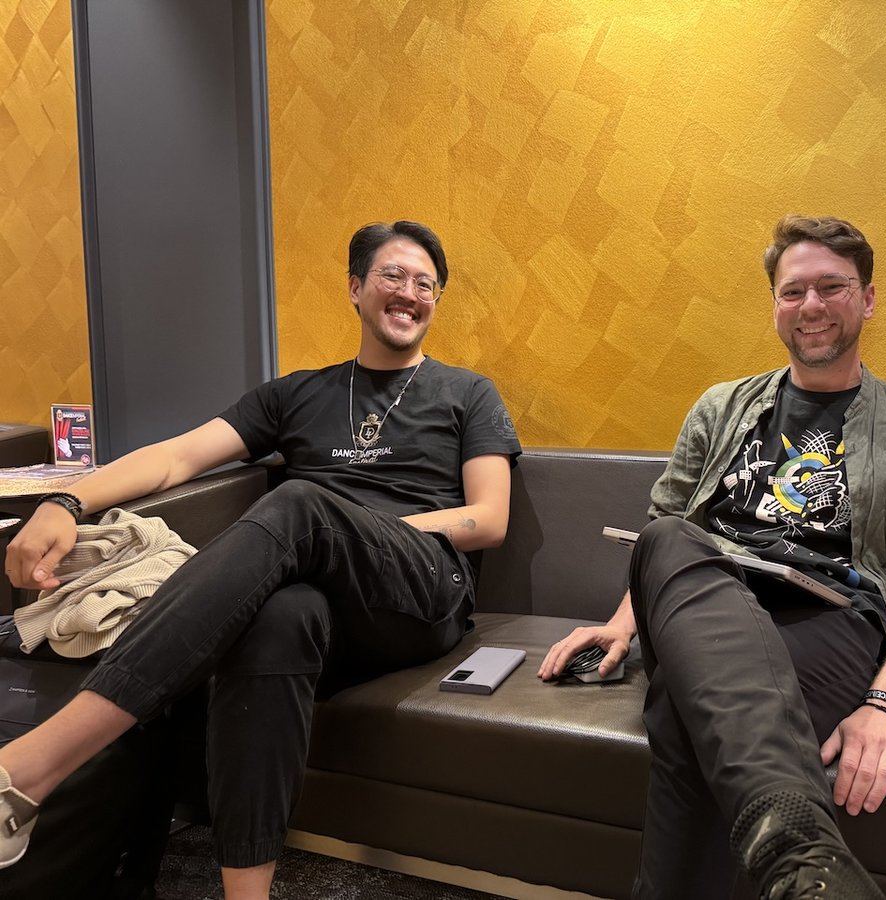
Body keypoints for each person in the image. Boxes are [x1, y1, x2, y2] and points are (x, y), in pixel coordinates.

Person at [1, 220, 522, 899]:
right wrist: (65, 501)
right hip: (320, 594)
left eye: (426, 285)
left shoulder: (468, 393)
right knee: (280, 615)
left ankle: (31, 768)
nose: (410, 292)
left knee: (301, 505)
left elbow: (489, 519)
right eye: (394, 275)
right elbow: (176, 457)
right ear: (356, 287)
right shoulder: (296, 394)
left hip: (423, 583)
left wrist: (346, 530)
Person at [539, 215, 886, 899]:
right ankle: (802, 858)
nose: (811, 306)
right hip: (701, 605)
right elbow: (664, 528)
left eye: (832, 287)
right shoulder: (720, 407)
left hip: (829, 619)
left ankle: (798, 856)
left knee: (687, 710)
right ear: (775, 304)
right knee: (668, 537)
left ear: (868, 298)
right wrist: (622, 625)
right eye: (793, 291)